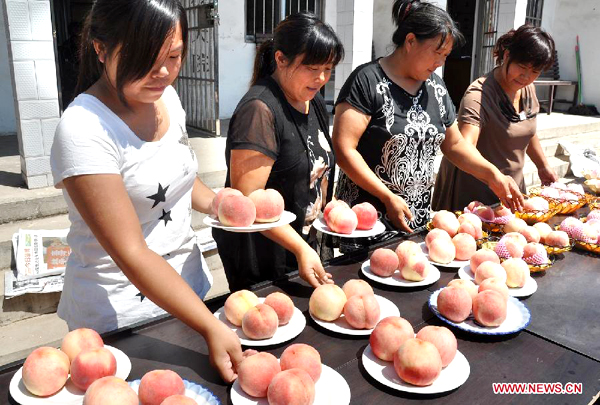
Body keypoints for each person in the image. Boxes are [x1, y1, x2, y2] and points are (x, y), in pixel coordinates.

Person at [50, 0, 244, 383]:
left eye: (174, 56)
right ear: (100, 49)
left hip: (186, 299)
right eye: (144, 59)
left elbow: (175, 183)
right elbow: (131, 251)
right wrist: (209, 326)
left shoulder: (165, 96)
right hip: (119, 322)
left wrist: (220, 203)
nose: (164, 72)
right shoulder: (83, 129)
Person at [332, 0, 524, 244]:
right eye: (437, 52)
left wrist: (492, 174)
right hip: (367, 221)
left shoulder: (436, 87)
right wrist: (386, 196)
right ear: (410, 41)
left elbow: (454, 145)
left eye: (445, 55)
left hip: (416, 220)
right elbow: (344, 149)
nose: (441, 62)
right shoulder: (366, 80)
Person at [212, 12, 343, 292]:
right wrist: (299, 248)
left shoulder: (312, 100)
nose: (321, 78)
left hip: (304, 247)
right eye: (311, 67)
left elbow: (318, 167)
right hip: (265, 259)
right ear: (281, 59)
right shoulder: (259, 110)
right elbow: (248, 204)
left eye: (328, 68)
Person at [432, 25, 558, 211]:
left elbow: (527, 130)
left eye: (535, 72)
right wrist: (493, 177)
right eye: (522, 67)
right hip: (475, 193)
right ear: (506, 55)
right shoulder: (479, 94)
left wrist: (542, 165)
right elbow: (464, 146)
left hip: (511, 188)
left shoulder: (527, 89)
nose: (526, 76)